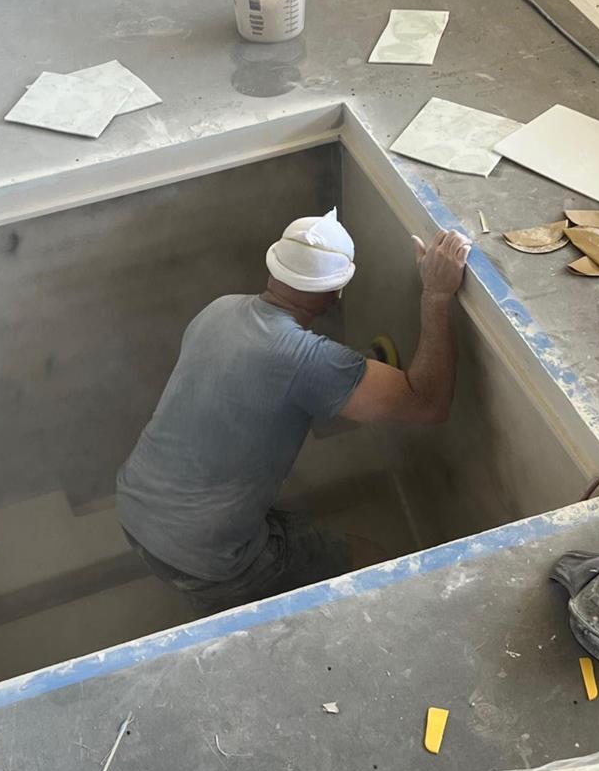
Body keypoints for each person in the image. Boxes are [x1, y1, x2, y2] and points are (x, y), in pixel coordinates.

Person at [116, 209, 472, 616]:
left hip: (134, 510)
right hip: (211, 558)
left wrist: (349, 373)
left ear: (275, 270)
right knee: (372, 561)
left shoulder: (219, 309)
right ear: (338, 289)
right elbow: (428, 403)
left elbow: (265, 385)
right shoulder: (310, 362)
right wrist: (437, 296)